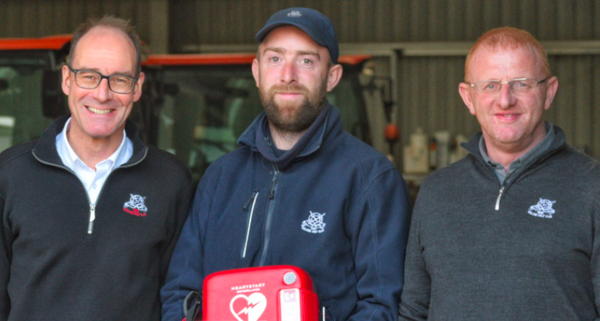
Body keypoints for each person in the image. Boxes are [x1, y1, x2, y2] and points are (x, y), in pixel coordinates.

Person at [161, 7, 411, 321]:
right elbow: (180, 292)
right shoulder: (219, 177)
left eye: (306, 60)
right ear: (257, 72)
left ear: (332, 77)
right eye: (275, 59)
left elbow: (381, 306)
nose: (288, 75)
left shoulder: (370, 179)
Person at [399, 27, 600, 320]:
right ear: (468, 97)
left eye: (521, 83)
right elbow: (414, 311)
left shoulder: (592, 187)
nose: (505, 100)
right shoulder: (436, 192)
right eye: (490, 85)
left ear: (549, 92)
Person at [0, 16, 194, 320]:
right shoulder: (9, 175)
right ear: (66, 79)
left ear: (138, 87)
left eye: (119, 79)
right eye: (89, 76)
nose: (102, 95)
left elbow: (178, 297)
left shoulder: (171, 182)